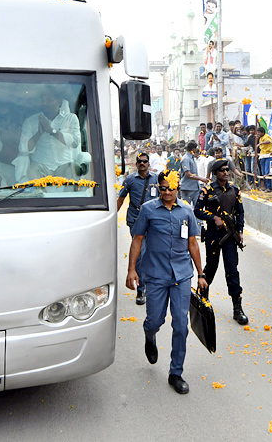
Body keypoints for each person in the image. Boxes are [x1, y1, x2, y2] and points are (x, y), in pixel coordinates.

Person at [125, 170, 207, 395]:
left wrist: (200, 274)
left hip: (181, 276)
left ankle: (176, 372)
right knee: (155, 320)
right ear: (158, 188)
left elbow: (193, 243)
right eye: (163, 187)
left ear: (177, 188)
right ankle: (148, 334)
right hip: (156, 275)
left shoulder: (187, 211)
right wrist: (132, 269)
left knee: (181, 324)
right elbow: (138, 240)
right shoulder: (148, 210)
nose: (167, 191)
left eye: (171, 187)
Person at [194, 159, 249, 326]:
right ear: (216, 173)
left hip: (230, 235)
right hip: (213, 234)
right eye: (222, 170)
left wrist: (240, 231)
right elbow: (197, 210)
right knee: (211, 266)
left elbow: (240, 212)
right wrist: (213, 217)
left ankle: (237, 308)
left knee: (232, 269)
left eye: (227, 170)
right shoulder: (207, 190)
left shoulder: (235, 190)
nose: (226, 172)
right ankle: (203, 296)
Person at [14, 87, 82, 182]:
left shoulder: (71, 118)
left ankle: (70, 197)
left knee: (73, 169)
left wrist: (52, 131)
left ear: (59, 101)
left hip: (64, 165)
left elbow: (75, 142)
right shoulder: (31, 121)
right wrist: (39, 134)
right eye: (43, 100)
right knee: (31, 171)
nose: (45, 103)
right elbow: (23, 150)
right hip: (41, 166)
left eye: (49, 100)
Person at [117, 152, 159, 306]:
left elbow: (166, 198)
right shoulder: (129, 180)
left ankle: (153, 285)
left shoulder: (156, 179)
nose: (142, 164)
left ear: (149, 163)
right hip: (135, 220)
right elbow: (120, 199)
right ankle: (141, 290)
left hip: (153, 221)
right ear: (136, 164)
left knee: (152, 252)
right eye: (140, 161)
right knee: (140, 253)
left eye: (145, 161)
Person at [180, 141, 209, 207]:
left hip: (195, 187)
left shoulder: (192, 158)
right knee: (186, 207)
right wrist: (201, 178)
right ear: (193, 149)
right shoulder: (186, 158)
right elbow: (188, 174)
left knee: (197, 207)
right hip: (188, 188)